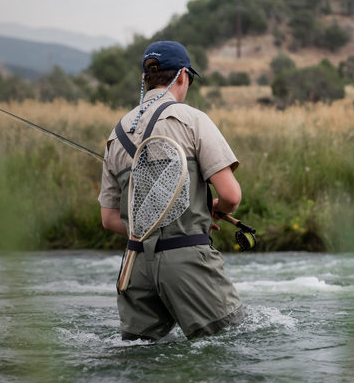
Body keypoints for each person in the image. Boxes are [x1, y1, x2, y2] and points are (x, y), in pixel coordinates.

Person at [98, 40, 244, 341]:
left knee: (141, 361)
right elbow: (231, 196)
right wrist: (214, 208)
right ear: (182, 76)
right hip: (185, 260)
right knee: (233, 341)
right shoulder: (192, 120)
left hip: (134, 267)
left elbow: (109, 219)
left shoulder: (116, 134)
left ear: (146, 79)